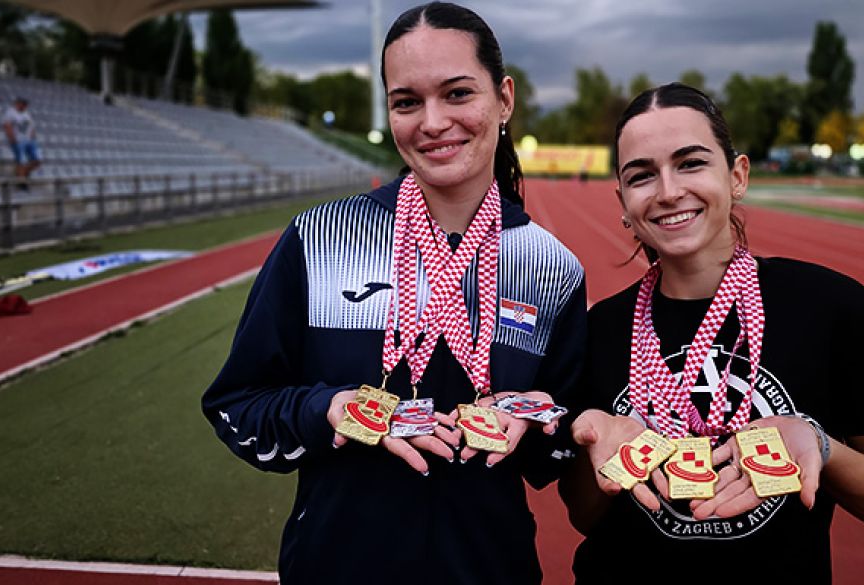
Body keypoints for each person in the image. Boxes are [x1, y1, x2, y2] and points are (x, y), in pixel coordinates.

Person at [201, 3, 586, 584]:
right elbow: (239, 402)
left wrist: (533, 423)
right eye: (407, 101)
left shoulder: (552, 267)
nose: (432, 122)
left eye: (457, 93)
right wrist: (324, 409)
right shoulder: (319, 238)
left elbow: (563, 437)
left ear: (503, 99)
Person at [558, 82, 864, 583]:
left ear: (737, 176)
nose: (668, 192)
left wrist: (818, 445)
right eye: (643, 175)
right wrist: (604, 453)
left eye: (691, 163)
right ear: (623, 202)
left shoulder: (832, 308)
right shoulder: (600, 328)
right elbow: (583, 516)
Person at [1, 97, 41, 184]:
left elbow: (32, 126)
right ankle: (21, 181)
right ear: (18, 104)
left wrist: (33, 137)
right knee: (21, 162)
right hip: (18, 141)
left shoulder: (27, 114)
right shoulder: (10, 112)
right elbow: (7, 125)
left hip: (29, 140)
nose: (25, 106)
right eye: (23, 104)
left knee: (37, 161)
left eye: (25, 104)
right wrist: (13, 139)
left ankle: (22, 173)